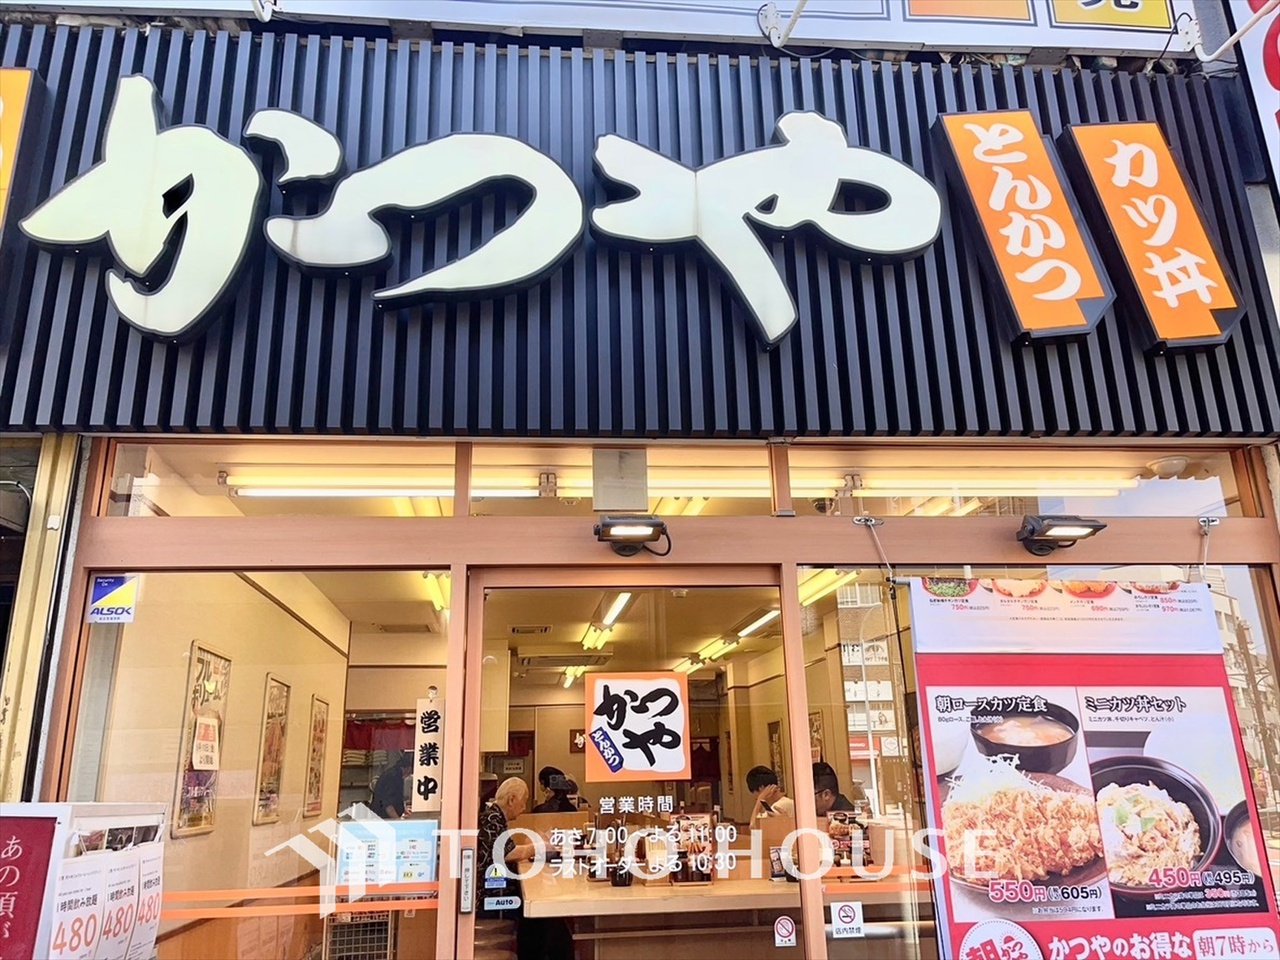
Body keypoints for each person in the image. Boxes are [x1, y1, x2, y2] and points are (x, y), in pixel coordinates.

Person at [477, 778, 571, 959]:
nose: (524, 806)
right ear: (512, 799)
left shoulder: (496, 816)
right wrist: (538, 847)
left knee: (545, 922)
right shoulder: (492, 818)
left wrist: (531, 845)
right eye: (524, 800)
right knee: (541, 922)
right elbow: (507, 853)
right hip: (492, 896)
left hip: (499, 890)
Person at [745, 765, 795, 830]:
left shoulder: (778, 806)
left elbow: (753, 827)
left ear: (761, 788)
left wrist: (760, 800)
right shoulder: (789, 802)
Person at [372, 752, 412, 819]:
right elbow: (388, 805)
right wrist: (397, 821)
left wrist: (404, 809)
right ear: (408, 768)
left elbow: (395, 800)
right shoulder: (393, 777)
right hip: (382, 818)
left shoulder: (395, 774)